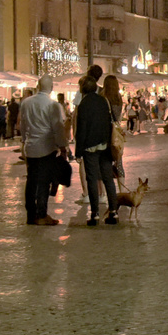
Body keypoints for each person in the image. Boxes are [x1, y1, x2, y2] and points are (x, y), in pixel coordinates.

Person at [74, 74, 119, 225]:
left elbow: (81, 130)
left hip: (90, 147)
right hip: (105, 145)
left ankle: (95, 214)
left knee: (92, 179)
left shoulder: (84, 105)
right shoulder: (104, 101)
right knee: (108, 179)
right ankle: (113, 212)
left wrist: (78, 152)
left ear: (82, 89)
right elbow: (110, 122)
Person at [22, 76, 66, 224]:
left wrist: (24, 141)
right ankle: (41, 215)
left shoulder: (26, 103)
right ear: (51, 87)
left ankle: (30, 214)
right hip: (47, 147)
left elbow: (22, 125)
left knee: (31, 180)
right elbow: (58, 128)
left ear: (38, 86)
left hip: (30, 147)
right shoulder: (53, 105)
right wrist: (63, 146)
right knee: (44, 181)